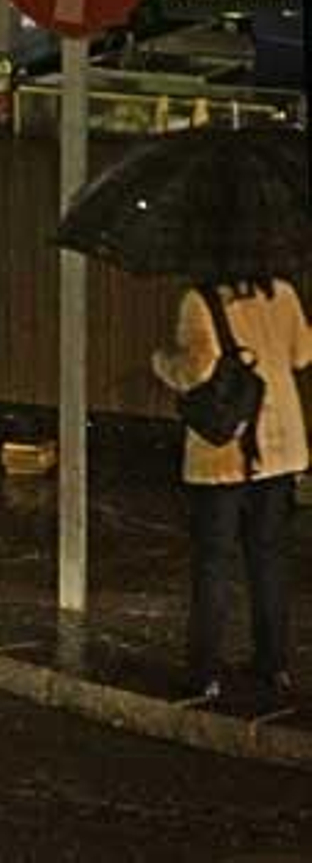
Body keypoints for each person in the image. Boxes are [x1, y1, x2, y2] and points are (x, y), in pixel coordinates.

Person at [152, 276, 312, 700]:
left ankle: (205, 674)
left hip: (223, 454)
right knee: (269, 558)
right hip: (280, 450)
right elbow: (303, 353)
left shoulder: (200, 298)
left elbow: (197, 368)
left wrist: (162, 361)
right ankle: (273, 664)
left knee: (214, 562)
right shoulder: (282, 291)